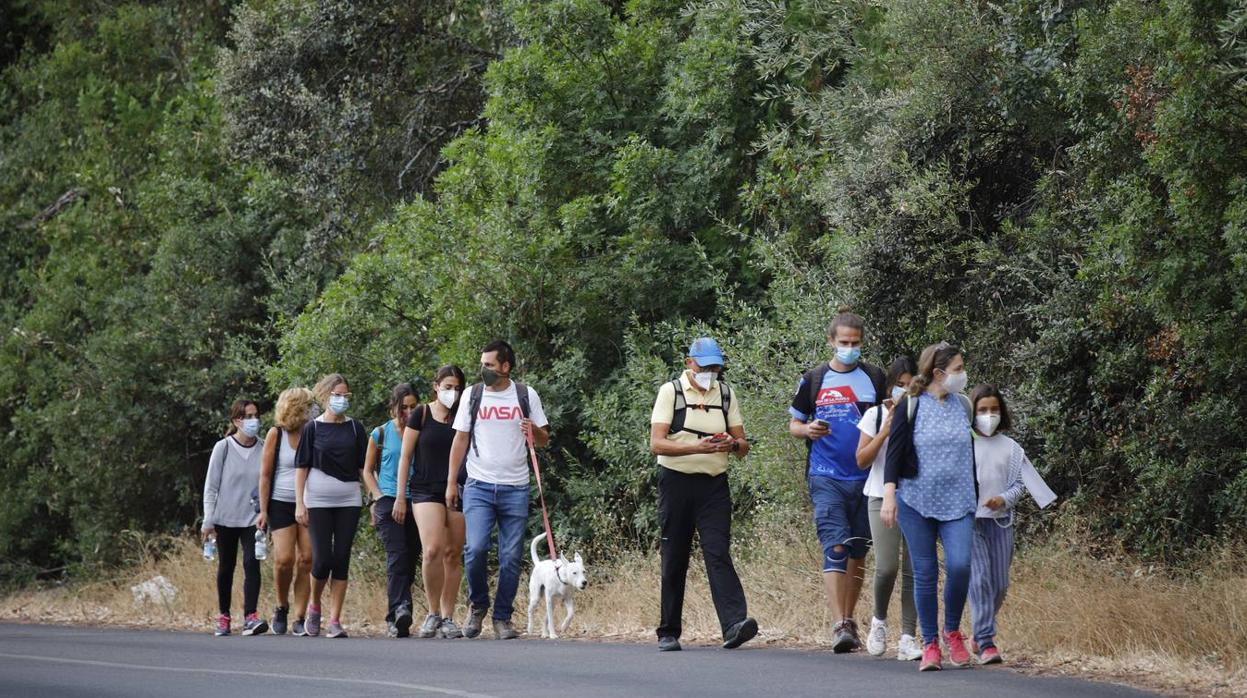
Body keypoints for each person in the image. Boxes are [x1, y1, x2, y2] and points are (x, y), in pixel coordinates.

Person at [788, 308, 888, 653]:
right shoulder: (813, 379)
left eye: (855, 342)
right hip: (825, 474)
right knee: (835, 545)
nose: (850, 347)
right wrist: (808, 430)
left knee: (858, 550)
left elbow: (886, 422)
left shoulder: (874, 378)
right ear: (831, 341)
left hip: (866, 477)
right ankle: (839, 623)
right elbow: (794, 424)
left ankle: (849, 618)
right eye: (844, 342)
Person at [649, 337, 757, 653]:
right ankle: (668, 631)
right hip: (676, 482)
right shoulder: (671, 392)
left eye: (715, 367)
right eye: (705, 366)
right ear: (689, 363)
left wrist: (731, 445)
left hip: (714, 484)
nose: (711, 372)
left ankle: (734, 625)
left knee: (718, 551)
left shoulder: (725, 394)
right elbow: (657, 443)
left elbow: (743, 446)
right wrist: (697, 446)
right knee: (674, 556)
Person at [881, 342, 976, 672]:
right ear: (939, 373)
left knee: (961, 565)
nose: (963, 375)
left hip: (960, 501)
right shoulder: (911, 404)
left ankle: (952, 632)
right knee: (925, 573)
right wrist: (889, 496)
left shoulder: (963, 404)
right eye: (958, 369)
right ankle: (930, 642)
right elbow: (894, 453)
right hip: (915, 501)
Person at [447, 341, 550, 640]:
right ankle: (477, 604)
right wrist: (452, 482)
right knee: (476, 549)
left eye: (490, 365)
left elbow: (544, 439)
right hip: (478, 485)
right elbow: (460, 440)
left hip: (515, 487)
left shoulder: (525, 395)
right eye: (482, 364)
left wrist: (535, 431)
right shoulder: (472, 395)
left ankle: (503, 617)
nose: (483, 370)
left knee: (511, 557)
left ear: (506, 366)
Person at [967, 384, 1057, 665]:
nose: (988, 415)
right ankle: (985, 640)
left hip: (1001, 522)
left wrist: (1003, 499)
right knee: (979, 579)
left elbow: (1021, 485)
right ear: (973, 412)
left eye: (994, 410)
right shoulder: (963, 443)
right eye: (982, 410)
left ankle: (981, 627)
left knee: (1000, 584)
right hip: (969, 522)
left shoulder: (1011, 448)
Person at [856, 356, 923, 660]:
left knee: (914, 569)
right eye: (900, 385)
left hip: (916, 497)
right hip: (880, 496)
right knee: (887, 566)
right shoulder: (873, 415)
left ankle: (909, 636)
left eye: (911, 386)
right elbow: (862, 460)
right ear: (890, 386)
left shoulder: (923, 413)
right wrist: (886, 429)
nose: (905, 391)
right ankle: (879, 621)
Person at [395, 366, 468, 639]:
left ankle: (448, 616)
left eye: (457, 387)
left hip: (458, 487)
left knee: (452, 553)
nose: (453, 392)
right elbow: (405, 457)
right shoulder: (421, 413)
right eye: (448, 386)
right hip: (425, 489)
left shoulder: (463, 415)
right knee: (433, 550)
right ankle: (433, 612)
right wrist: (400, 496)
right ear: (436, 386)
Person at [295, 373, 368, 639]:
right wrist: (299, 504)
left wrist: (373, 498)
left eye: (345, 395)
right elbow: (301, 467)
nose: (341, 400)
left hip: (349, 498)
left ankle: (335, 619)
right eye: (337, 395)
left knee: (342, 558)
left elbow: (364, 468)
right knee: (322, 557)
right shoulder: (312, 428)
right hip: (318, 500)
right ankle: (315, 605)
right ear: (326, 396)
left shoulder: (355, 428)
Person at [202, 399, 268, 637]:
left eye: (255, 415)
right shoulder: (224, 447)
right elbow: (211, 486)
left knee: (252, 563)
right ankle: (224, 616)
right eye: (248, 416)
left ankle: (250, 616)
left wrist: (265, 510)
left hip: (253, 516)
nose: (253, 421)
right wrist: (208, 520)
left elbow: (267, 482)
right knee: (226, 566)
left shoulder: (263, 447)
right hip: (225, 517)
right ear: (236, 420)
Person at [362, 383, 422, 638]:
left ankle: (398, 612)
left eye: (412, 407)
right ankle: (399, 609)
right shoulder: (380, 433)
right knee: (396, 555)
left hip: (418, 499)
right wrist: (377, 497)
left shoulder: (422, 430)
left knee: (410, 559)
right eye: (403, 407)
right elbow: (366, 470)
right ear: (393, 408)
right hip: (388, 499)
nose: (408, 412)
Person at [258, 387, 316, 636]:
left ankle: (300, 616)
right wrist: (262, 510)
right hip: (280, 502)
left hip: (309, 501)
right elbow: (265, 474)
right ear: (297, 407)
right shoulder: (276, 434)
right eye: (309, 404)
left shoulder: (314, 431)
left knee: (307, 558)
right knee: (284, 560)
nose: (314, 409)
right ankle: (281, 605)